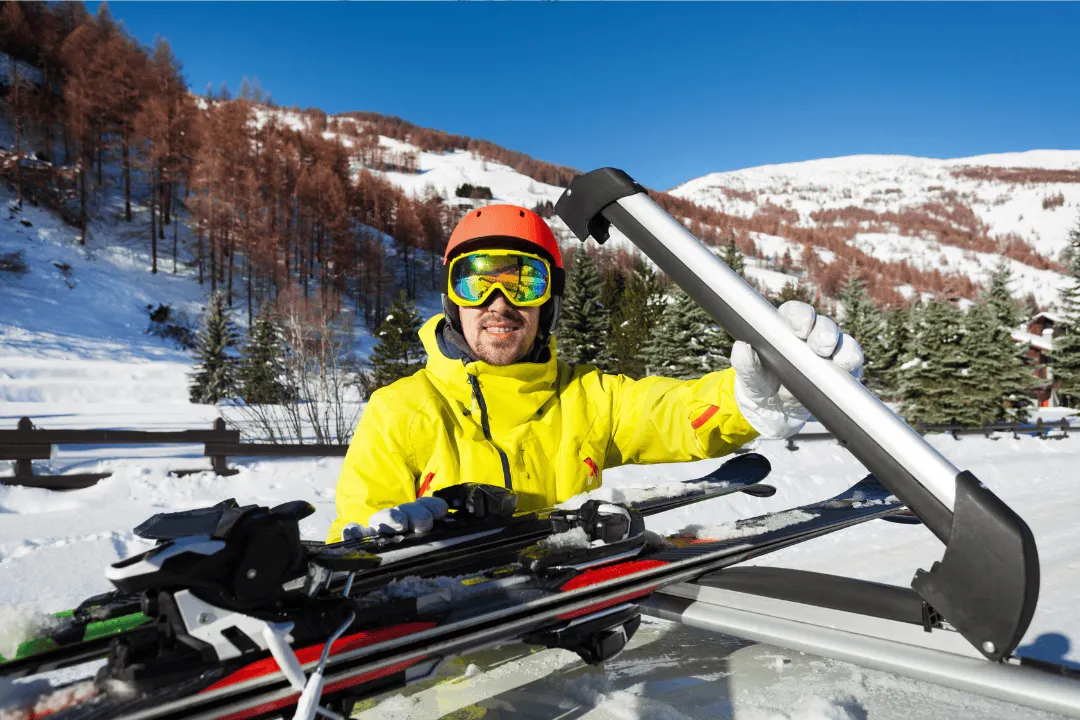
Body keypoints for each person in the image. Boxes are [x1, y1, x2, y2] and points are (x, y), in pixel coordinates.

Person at [327, 204, 862, 542]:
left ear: (550, 301)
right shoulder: (399, 412)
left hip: (572, 642)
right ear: (451, 299)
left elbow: (667, 413)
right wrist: (383, 544)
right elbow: (356, 537)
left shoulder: (586, 396)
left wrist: (743, 400)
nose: (498, 303)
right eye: (475, 283)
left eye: (524, 283)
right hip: (443, 658)